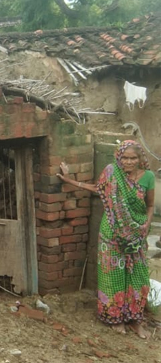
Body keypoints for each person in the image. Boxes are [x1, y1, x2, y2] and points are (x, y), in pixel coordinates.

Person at [57, 140, 155, 338]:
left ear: (140, 158)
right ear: (119, 157)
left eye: (133, 158)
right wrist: (70, 181)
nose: (128, 162)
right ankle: (114, 318)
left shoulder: (149, 177)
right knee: (112, 275)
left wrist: (146, 225)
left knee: (138, 276)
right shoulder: (112, 172)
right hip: (111, 233)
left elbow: (150, 205)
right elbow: (98, 189)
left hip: (137, 235)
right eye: (125, 158)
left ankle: (135, 320)